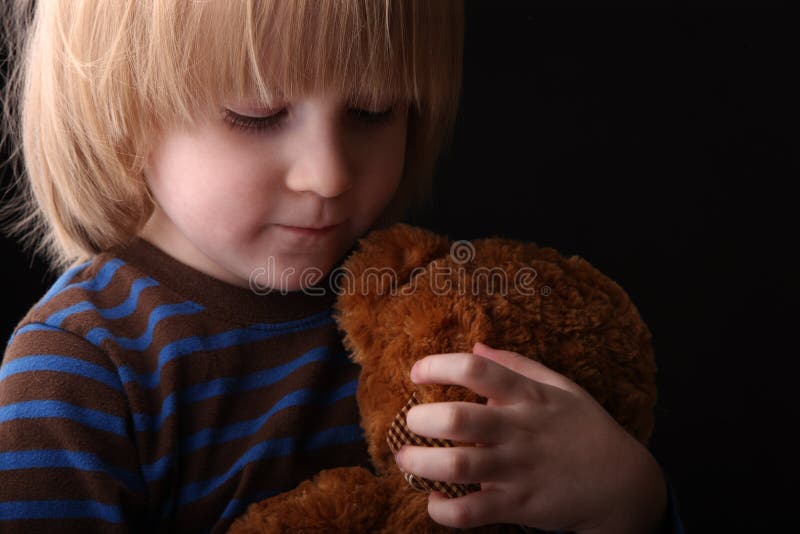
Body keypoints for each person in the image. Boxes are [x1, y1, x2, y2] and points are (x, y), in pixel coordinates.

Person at [0, 1, 683, 532]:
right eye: (256, 113)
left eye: (371, 110)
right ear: (123, 110)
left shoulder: (427, 305)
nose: (328, 175)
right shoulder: (81, 372)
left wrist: (628, 503)